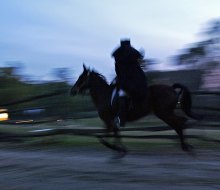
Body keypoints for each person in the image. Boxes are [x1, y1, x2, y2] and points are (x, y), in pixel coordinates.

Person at [112, 39, 148, 127]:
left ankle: (122, 119)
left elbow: (119, 72)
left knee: (121, 95)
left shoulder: (119, 59)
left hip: (128, 83)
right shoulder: (133, 56)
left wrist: (118, 79)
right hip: (141, 81)